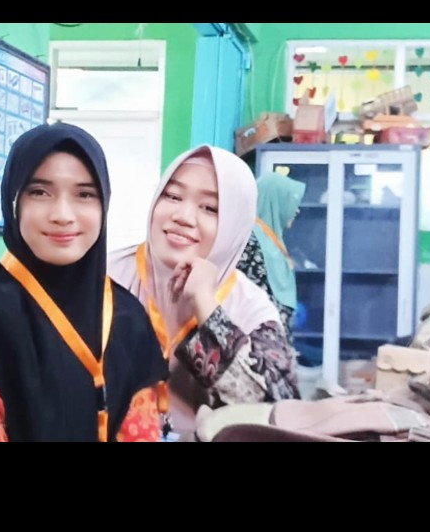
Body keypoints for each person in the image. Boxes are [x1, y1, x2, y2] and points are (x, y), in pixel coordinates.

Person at [0, 123, 167, 442]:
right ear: (13, 201)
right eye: (40, 192)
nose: (62, 214)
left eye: (84, 194)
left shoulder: (128, 319)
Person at [108, 145, 300, 440]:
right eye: (173, 196)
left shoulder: (249, 307)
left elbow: (279, 414)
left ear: (235, 223)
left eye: (210, 208)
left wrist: (207, 307)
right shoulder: (107, 276)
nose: (183, 216)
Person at [236, 171, 306, 343]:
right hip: (253, 345)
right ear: (274, 201)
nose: (297, 209)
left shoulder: (272, 241)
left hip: (273, 345)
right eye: (290, 200)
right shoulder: (248, 239)